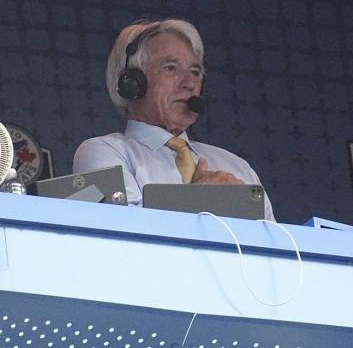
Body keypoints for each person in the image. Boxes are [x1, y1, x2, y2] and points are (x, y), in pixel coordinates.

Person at [73, 19, 275, 221]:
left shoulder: (237, 167)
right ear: (132, 83)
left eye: (195, 72)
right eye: (171, 68)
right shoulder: (102, 152)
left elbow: (274, 239)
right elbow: (121, 227)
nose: (190, 83)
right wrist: (201, 199)